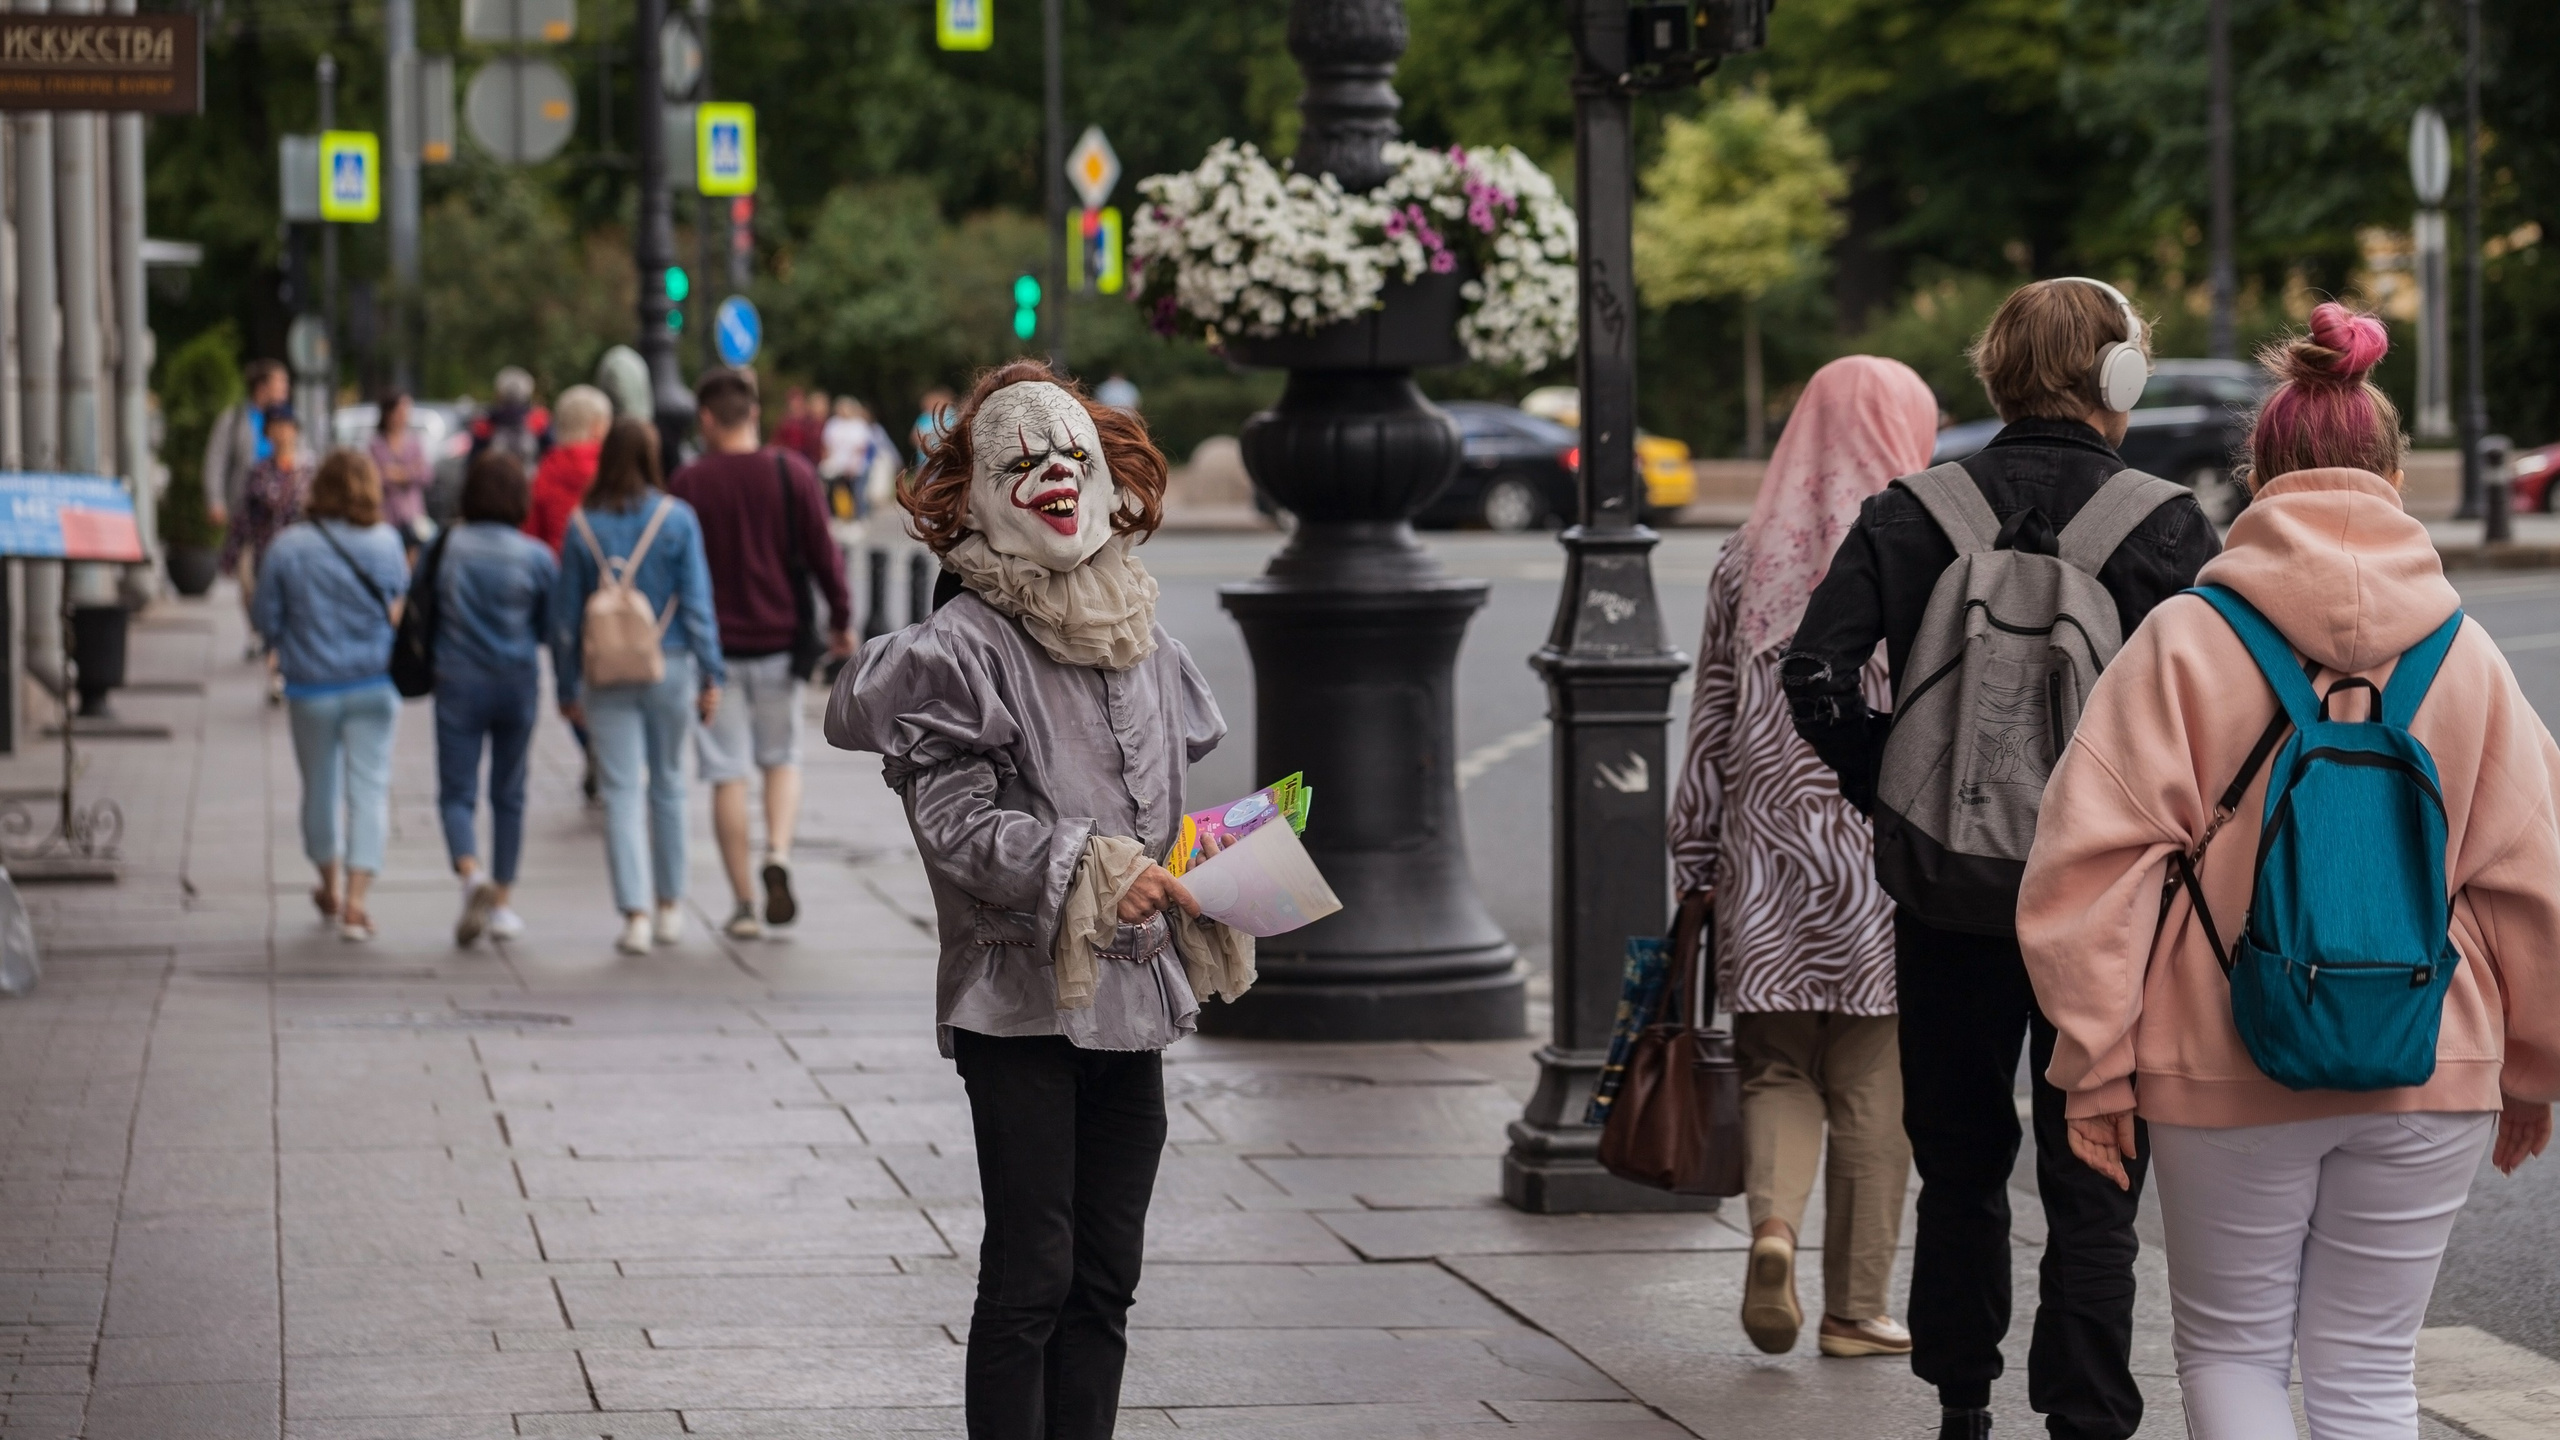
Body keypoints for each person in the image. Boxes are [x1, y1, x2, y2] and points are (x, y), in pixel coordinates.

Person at [2017, 303, 2560, 1440]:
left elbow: (2089, 865)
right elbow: (2532, 876)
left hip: (2222, 1056)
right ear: (2394, 472)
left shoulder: (2184, 639)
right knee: (2368, 1368)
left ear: (2255, 474)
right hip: (2432, 1053)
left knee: (2232, 1349)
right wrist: (2529, 1065)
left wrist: (2095, 1062)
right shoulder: (2466, 655)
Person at [1781, 278, 2222, 1440]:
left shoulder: (1909, 510)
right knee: (2095, 1170)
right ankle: (2085, 1417)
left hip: (1948, 894)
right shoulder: (2168, 524)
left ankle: (1962, 1402)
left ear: (1993, 370)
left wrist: (1896, 789)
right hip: (2109, 907)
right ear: (2117, 380)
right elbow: (2225, 720)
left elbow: (1813, 675)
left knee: (1961, 1154)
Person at [828, 360, 1254, 1440]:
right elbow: (960, 828)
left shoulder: (1146, 635)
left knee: (1106, 1275)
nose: (1052, 474)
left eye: (1069, 454)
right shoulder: (959, 649)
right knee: (1033, 1271)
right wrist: (1097, 866)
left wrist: (1206, 867)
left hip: (1136, 994)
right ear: (976, 496)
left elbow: (1160, 809)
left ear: (1108, 479)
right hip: (1018, 1000)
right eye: (1021, 461)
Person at [1667, 356, 1933, 1362]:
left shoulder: (1746, 553)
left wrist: (1696, 854)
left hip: (1763, 856)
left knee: (1774, 1063)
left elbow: (1710, 725)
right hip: (1879, 851)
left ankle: (1772, 1226)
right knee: (1872, 1080)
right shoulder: (1925, 552)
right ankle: (1856, 1310)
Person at [666, 368, 854, 939]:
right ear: (753, 413)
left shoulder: (689, 484)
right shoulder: (790, 472)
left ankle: (744, 904)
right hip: (781, 640)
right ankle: (776, 851)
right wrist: (841, 622)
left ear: (705, 419)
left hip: (714, 653)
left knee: (726, 774)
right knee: (781, 757)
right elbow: (826, 558)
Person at [551, 418, 725, 956]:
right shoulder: (678, 520)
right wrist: (710, 672)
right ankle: (672, 906)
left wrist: (566, 687)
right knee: (670, 784)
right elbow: (697, 604)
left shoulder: (581, 524)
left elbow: (563, 620)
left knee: (621, 792)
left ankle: (635, 916)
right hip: (669, 665)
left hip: (605, 673)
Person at [251, 451, 408, 943]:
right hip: (375, 683)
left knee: (318, 787)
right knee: (369, 789)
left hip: (311, 686)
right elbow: (398, 600)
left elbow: (265, 618)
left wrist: (291, 640)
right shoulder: (386, 542)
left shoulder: (288, 546)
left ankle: (329, 884)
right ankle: (358, 902)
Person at [434, 452, 557, 948]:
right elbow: (551, 629)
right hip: (516, 681)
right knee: (510, 793)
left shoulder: (447, 547)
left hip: (458, 680)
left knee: (457, 793)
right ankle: (502, 902)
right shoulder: (536, 557)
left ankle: (470, 874)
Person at [221, 408, 314, 677]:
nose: (283, 433)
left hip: (303, 554)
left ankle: (291, 663)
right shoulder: (259, 471)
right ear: (268, 433)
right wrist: (233, 553)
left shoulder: (310, 469)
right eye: (276, 427)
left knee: (297, 609)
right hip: (268, 552)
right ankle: (276, 668)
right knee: (273, 609)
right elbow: (243, 517)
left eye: (287, 426)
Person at [204, 357, 290, 533]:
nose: (285, 388)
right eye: (280, 382)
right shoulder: (233, 419)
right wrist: (215, 501)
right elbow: (215, 460)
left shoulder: (287, 422)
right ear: (262, 387)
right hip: (243, 511)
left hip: (279, 514)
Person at [526, 385, 613, 554]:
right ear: (597, 427)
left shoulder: (544, 472)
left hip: (553, 571)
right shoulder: (610, 472)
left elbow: (531, 535)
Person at [369, 391, 435, 550]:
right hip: (387, 514)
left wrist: (404, 475)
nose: (403, 416)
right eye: (399, 411)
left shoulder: (414, 442)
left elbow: (427, 474)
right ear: (388, 413)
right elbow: (371, 477)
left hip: (413, 514)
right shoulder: (376, 444)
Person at [472, 366, 549, 468]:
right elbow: (549, 453)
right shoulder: (538, 420)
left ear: (499, 393)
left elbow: (474, 460)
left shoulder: (486, 421)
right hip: (529, 479)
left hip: (493, 479)